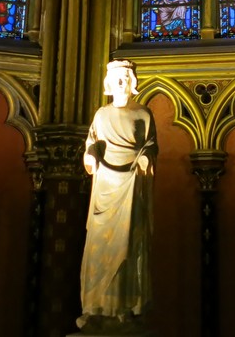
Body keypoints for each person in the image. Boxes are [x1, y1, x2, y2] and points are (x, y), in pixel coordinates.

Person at [77, 59, 157, 333]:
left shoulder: (143, 114)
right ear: (108, 83)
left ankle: (124, 308)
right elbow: (92, 142)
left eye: (125, 77)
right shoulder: (101, 114)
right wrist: (90, 155)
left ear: (132, 81)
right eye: (116, 78)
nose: (121, 82)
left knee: (129, 245)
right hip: (105, 189)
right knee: (100, 246)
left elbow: (150, 145)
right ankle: (96, 308)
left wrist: (145, 159)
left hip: (131, 185)